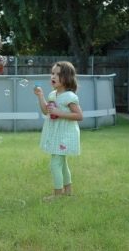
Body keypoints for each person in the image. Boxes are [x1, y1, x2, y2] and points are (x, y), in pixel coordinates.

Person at [34, 61, 83, 200]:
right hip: (57, 134)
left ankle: (57, 194)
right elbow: (46, 111)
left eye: (58, 74)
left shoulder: (70, 97)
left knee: (55, 164)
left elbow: (79, 116)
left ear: (67, 77)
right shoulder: (52, 95)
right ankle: (68, 191)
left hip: (66, 135)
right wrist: (40, 96)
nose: (53, 76)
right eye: (52, 73)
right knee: (62, 163)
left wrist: (59, 112)